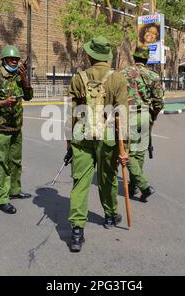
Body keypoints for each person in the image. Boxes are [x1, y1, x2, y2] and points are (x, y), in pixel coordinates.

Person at [66, 36, 129, 252]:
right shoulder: (118, 79)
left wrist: (68, 144)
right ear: (107, 57)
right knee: (107, 178)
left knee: (80, 183)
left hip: (81, 136)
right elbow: (122, 115)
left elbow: (71, 114)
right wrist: (125, 149)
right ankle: (110, 216)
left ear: (91, 55)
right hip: (109, 137)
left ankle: (76, 232)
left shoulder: (78, 78)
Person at [0, 45, 33, 214]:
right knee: (1, 162)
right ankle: (2, 199)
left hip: (16, 126)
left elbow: (29, 96)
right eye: (11, 59)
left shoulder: (19, 75)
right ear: (3, 60)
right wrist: (0, 103)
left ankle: (15, 190)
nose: (15, 62)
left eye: (16, 59)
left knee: (16, 161)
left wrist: (25, 79)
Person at [122, 46, 164, 203]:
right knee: (139, 153)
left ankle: (144, 186)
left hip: (129, 115)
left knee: (129, 153)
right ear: (146, 59)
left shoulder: (122, 74)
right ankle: (134, 186)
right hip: (145, 115)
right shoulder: (153, 75)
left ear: (134, 57)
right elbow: (159, 102)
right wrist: (152, 115)